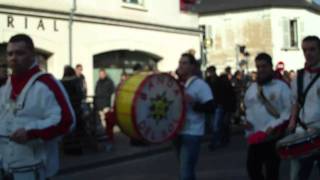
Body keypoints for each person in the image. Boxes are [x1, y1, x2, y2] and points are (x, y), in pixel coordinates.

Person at [0, 34, 75, 180]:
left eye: (20, 53)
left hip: (36, 172)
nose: (13, 58)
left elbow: (66, 121)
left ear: (32, 55)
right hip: (6, 170)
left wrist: (31, 132)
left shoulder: (47, 84)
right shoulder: (4, 87)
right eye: (10, 54)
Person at [244, 53, 292, 180]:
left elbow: (288, 111)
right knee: (252, 169)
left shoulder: (281, 87)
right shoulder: (252, 89)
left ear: (271, 67)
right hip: (256, 137)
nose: (261, 70)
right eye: (258, 67)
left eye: (264, 66)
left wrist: (274, 126)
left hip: (273, 137)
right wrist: (246, 123)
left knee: (272, 172)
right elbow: (248, 110)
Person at [174, 53, 214, 180]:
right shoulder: (175, 84)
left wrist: (193, 102)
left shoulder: (200, 85)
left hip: (192, 132)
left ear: (192, 66)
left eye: (184, 63)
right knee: (184, 169)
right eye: (180, 63)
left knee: (185, 170)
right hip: (177, 131)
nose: (181, 65)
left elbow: (211, 107)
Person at [288, 35, 320, 180]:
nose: (308, 53)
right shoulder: (298, 77)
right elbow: (296, 102)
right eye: (305, 50)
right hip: (302, 131)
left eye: (312, 49)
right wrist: (292, 122)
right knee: (297, 175)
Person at [61, 65, 84, 154]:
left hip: (65, 109)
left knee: (67, 128)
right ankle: (76, 149)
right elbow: (80, 94)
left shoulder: (61, 82)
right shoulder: (76, 81)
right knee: (76, 129)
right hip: (75, 108)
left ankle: (67, 148)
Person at [94, 68, 115, 150]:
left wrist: (111, 105)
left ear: (105, 74)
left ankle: (109, 140)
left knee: (107, 124)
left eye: (102, 74)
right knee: (102, 125)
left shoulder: (109, 82)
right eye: (100, 74)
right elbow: (96, 93)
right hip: (99, 105)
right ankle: (105, 140)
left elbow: (113, 93)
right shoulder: (98, 82)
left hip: (106, 105)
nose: (100, 75)